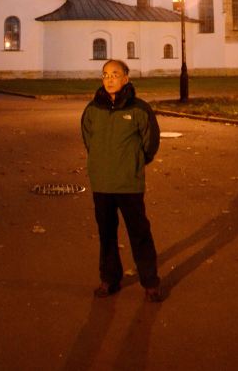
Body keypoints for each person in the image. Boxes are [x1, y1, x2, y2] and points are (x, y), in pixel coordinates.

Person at [81, 58, 162, 302]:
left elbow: (151, 142)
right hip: (102, 183)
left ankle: (150, 282)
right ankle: (109, 279)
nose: (110, 79)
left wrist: (135, 162)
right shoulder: (93, 110)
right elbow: (88, 140)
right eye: (105, 75)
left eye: (115, 74)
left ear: (126, 78)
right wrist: (99, 162)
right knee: (107, 234)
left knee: (139, 233)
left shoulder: (139, 109)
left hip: (129, 183)